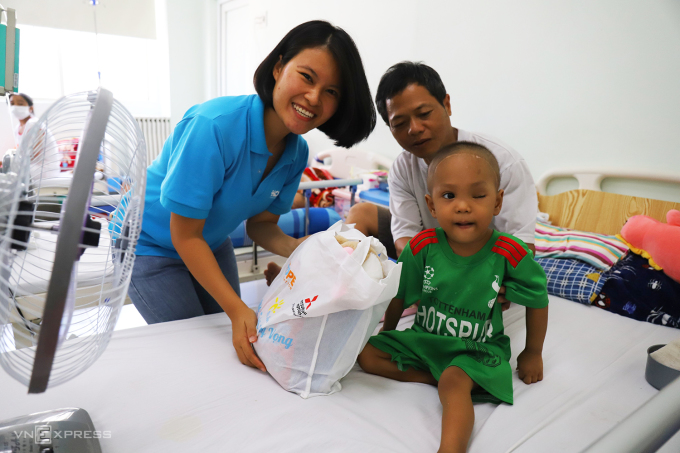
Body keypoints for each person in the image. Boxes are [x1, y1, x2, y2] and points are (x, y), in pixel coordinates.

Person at [127, 21, 376, 372]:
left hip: (209, 241)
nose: (314, 98)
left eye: (332, 91)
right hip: (149, 244)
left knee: (236, 343)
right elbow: (184, 235)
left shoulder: (296, 153)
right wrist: (236, 309)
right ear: (278, 67)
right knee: (194, 350)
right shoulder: (213, 125)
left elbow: (261, 225)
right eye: (306, 76)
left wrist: (306, 249)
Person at [357, 142, 549, 453]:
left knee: (454, 381)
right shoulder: (422, 246)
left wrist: (533, 352)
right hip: (426, 340)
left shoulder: (509, 252)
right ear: (431, 206)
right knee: (366, 354)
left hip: (475, 349)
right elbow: (399, 294)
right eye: (449, 196)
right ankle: (433, 376)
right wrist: (387, 332)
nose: (463, 206)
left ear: (498, 201)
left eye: (478, 195)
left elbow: (538, 297)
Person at [346, 62, 538, 261]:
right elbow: (405, 237)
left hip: (485, 259)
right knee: (361, 213)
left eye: (424, 114)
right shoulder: (404, 167)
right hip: (431, 252)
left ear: (447, 104)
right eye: (400, 123)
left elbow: (521, 247)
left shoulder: (503, 162)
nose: (415, 129)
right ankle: (349, 284)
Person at [7, 92, 61, 181]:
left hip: (45, 169)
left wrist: (13, 161)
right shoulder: (18, 128)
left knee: (11, 171)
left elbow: (32, 154)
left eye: (20, 104)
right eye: (12, 104)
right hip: (33, 166)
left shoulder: (33, 124)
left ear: (31, 108)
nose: (15, 106)